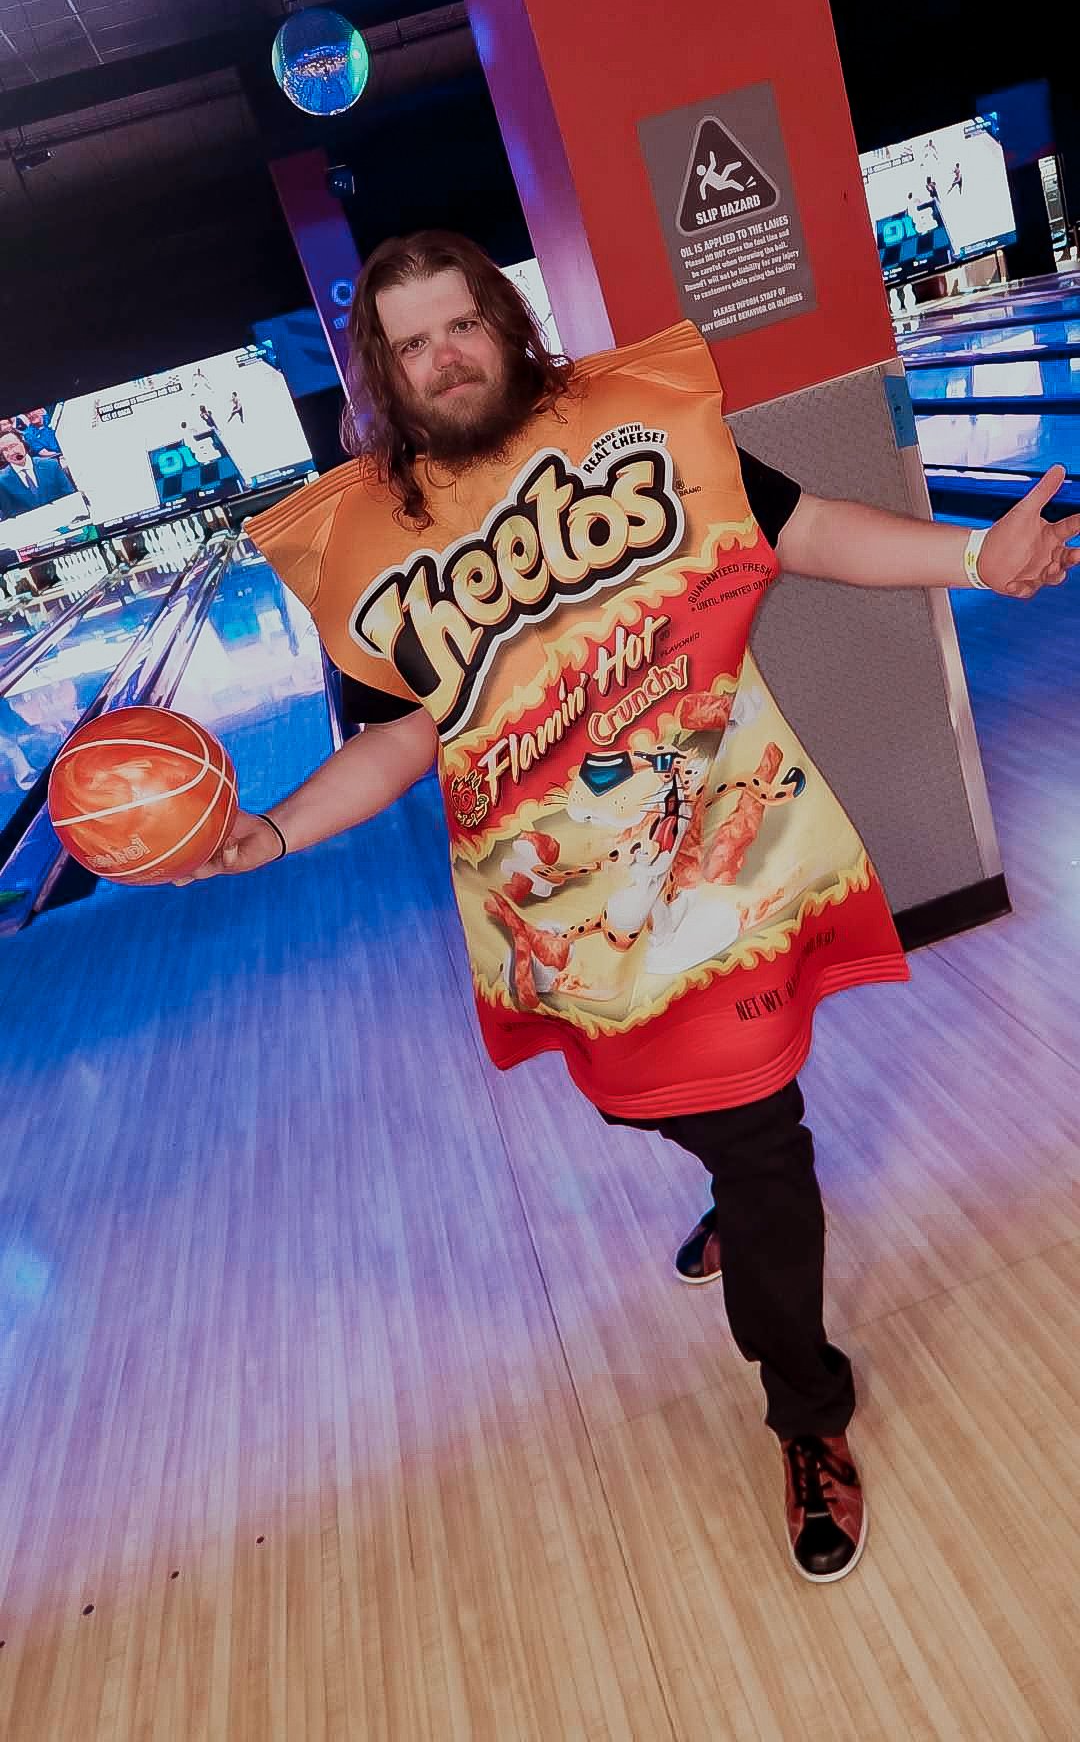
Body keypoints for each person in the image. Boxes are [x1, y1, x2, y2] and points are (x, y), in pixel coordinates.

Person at [188, 231, 1079, 1584]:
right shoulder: (369, 540)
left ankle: (808, 1416)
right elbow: (396, 735)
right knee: (635, 1100)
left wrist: (975, 557)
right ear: (382, 372)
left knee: (764, 1143)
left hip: (726, 865)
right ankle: (726, 1174)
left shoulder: (640, 423)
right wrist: (272, 832)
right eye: (412, 344)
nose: (444, 357)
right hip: (564, 917)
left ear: (504, 320)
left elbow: (800, 530)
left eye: (460, 324)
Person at [0, 429, 78, 518]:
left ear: (24, 443)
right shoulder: (2, 481)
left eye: (13, 446)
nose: (11, 452)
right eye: (5, 449)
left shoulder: (51, 465)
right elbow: (9, 515)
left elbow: (70, 495)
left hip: (63, 517)